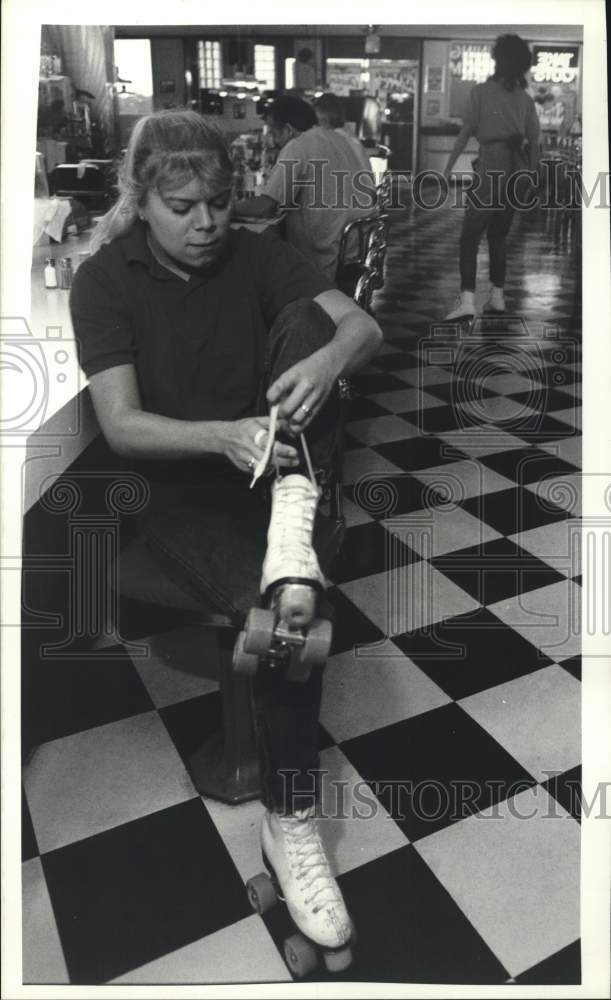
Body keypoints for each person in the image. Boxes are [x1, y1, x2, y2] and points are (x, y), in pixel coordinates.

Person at [70, 110, 382, 954]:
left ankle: (291, 515)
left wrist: (320, 365)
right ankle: (292, 821)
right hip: (179, 495)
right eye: (181, 207)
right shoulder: (105, 280)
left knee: (317, 324)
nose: (205, 223)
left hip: (270, 480)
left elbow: (364, 327)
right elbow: (123, 426)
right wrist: (221, 434)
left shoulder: (253, 252)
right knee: (291, 614)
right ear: (141, 201)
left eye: (215, 201)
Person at [442, 34, 541, 320]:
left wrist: (447, 169)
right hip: (517, 169)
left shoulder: (480, 92)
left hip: (491, 166)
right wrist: (532, 178)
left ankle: (468, 301)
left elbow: (466, 132)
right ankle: (497, 297)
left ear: (496, 60)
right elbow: (534, 143)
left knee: (469, 237)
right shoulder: (525, 99)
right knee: (499, 236)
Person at [233, 94, 376, 282]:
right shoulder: (339, 139)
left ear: (288, 129)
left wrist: (225, 208)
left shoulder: (297, 146)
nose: (272, 140)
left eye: (273, 132)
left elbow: (265, 206)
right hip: (353, 254)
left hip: (321, 261)